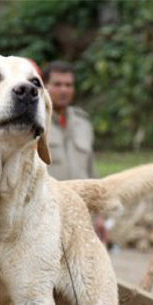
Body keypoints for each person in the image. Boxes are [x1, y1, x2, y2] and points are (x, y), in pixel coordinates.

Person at [42, 61, 108, 242]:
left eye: (68, 85)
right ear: (44, 86)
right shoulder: (36, 123)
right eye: (57, 84)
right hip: (46, 216)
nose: (64, 90)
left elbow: (91, 172)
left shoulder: (83, 123)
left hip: (81, 216)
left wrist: (99, 216)